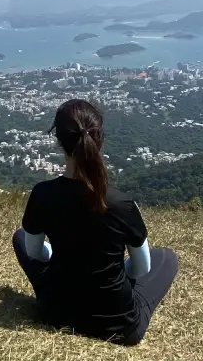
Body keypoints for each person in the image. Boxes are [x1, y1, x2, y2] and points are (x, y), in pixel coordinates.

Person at [12, 99, 178, 346]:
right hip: (119, 324)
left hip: (56, 312)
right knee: (166, 257)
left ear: (59, 141)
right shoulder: (121, 203)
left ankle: (57, 290)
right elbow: (141, 268)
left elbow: (36, 253)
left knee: (20, 237)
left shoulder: (42, 194)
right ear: (100, 139)